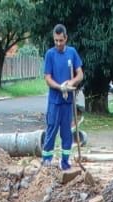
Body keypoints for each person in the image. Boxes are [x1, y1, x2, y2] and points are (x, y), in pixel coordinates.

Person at [41, 23, 83, 171]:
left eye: (61, 40)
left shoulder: (72, 53)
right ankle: (46, 160)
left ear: (66, 38)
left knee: (66, 132)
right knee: (51, 130)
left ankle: (65, 162)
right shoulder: (50, 54)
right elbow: (47, 78)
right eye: (56, 40)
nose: (58, 43)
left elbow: (80, 74)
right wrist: (60, 87)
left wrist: (71, 83)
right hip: (54, 101)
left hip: (67, 102)